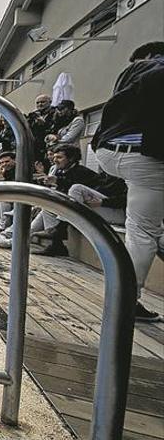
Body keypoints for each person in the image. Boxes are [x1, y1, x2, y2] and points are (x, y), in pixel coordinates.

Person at [91, 41, 164, 322]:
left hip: (109, 151)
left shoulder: (132, 75)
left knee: (146, 226)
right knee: (144, 231)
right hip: (145, 157)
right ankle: (127, 300)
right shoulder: (156, 69)